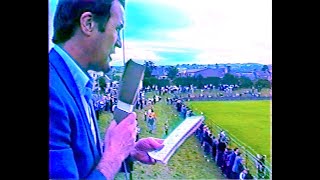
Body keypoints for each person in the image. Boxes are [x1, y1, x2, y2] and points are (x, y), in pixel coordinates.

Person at [49, 0, 164, 179]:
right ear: (88, 24)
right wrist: (114, 154)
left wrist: (126, 151)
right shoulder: (52, 92)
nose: (118, 42)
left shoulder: (76, 83)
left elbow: (80, 165)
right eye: (117, 29)